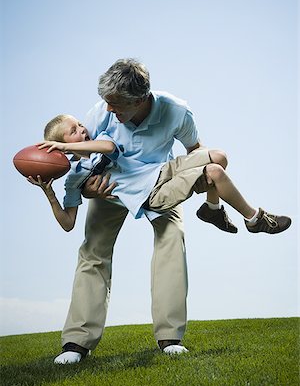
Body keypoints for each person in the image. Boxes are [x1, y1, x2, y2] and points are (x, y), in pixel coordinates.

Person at [33, 59, 291, 364]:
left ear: (139, 100)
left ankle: (170, 337)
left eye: (116, 104)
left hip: (158, 180)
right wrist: (84, 189)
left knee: (172, 239)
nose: (108, 109)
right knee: (93, 252)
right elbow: (83, 154)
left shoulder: (176, 111)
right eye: (107, 102)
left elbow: (196, 150)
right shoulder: (102, 110)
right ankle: (77, 343)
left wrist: (205, 183)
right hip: (110, 185)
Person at [31, 115, 291, 237]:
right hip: (152, 195)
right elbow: (68, 224)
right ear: (61, 145)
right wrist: (49, 193)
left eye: (79, 124)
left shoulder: (101, 139)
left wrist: (68, 146)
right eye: (73, 131)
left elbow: (109, 148)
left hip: (160, 171)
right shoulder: (74, 177)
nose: (82, 128)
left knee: (219, 156)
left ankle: (212, 209)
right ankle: (254, 219)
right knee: (215, 172)